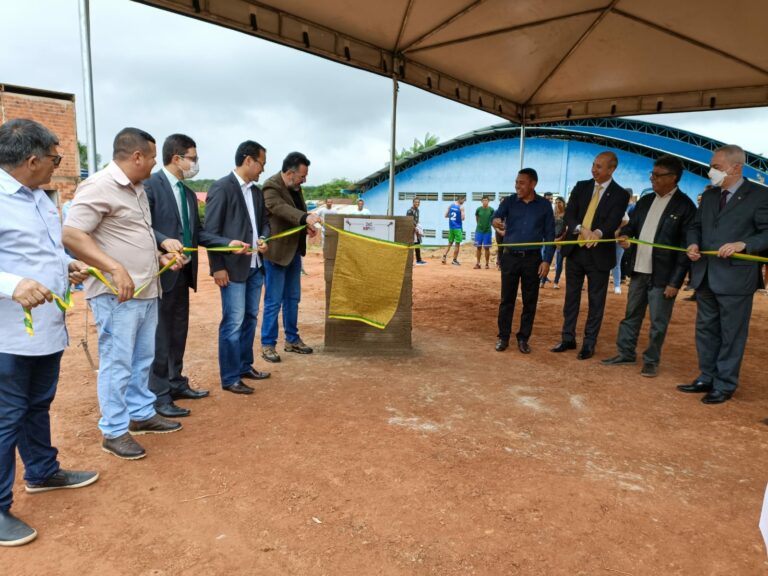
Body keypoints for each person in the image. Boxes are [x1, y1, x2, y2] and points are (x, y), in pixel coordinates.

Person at [0, 119, 98, 547]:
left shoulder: (40, 199)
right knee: (6, 418)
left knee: (38, 405)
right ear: (32, 159)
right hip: (8, 335)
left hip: (47, 328)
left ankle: (41, 472)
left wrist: (66, 265)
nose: (58, 166)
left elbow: (44, 249)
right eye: (55, 158)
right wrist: (12, 284)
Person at [63, 128, 183, 460]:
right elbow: (72, 234)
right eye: (153, 156)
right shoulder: (99, 186)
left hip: (145, 290)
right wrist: (115, 268)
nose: (155, 163)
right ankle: (114, 431)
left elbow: (132, 235)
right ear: (136, 157)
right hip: (116, 295)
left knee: (142, 359)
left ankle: (140, 413)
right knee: (118, 362)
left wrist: (160, 258)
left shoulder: (137, 189)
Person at [145, 134, 241, 414]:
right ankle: (159, 395)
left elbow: (197, 233)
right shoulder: (151, 186)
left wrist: (227, 243)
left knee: (178, 331)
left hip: (183, 273)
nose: (195, 164)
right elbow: (141, 226)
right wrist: (163, 240)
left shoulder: (187, 193)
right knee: (161, 336)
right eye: (193, 158)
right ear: (177, 159)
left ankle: (176, 382)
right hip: (161, 272)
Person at [679, 145, 768, 404]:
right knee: (705, 329)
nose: (711, 172)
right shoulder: (708, 197)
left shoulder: (760, 196)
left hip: (736, 278)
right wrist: (693, 244)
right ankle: (706, 376)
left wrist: (745, 245)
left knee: (731, 333)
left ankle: (725, 383)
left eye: (716, 168)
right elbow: (695, 226)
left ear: (736, 167)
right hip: (705, 273)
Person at [601, 155, 696, 378]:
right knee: (630, 315)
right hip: (638, 270)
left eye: (657, 175)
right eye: (651, 174)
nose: (652, 178)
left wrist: (675, 282)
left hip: (663, 276)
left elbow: (684, 250)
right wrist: (624, 235)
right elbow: (631, 227)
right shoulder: (645, 201)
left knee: (658, 322)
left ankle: (651, 361)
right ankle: (626, 353)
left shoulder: (685, 206)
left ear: (673, 178)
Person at [204, 141, 271, 395]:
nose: (263, 169)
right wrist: (217, 267)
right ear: (248, 161)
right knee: (233, 321)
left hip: (255, 265)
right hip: (232, 269)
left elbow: (264, 224)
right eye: (261, 163)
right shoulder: (222, 188)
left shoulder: (256, 191)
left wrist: (264, 238)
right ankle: (230, 376)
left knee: (250, 318)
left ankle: (244, 366)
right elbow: (210, 233)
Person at [551, 151, 630, 360]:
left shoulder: (620, 194)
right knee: (571, 298)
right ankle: (568, 338)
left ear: (612, 169)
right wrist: (581, 228)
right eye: (593, 164)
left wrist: (598, 233)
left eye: (599, 166)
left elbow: (614, 220)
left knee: (596, 302)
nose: (594, 169)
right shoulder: (581, 186)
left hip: (599, 256)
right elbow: (570, 214)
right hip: (576, 251)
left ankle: (589, 343)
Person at [260, 152, 321, 363]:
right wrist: (305, 217)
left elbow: (296, 213)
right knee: (273, 301)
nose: (304, 180)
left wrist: (306, 227)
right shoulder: (271, 187)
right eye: (302, 176)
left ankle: (292, 340)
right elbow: (280, 209)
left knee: (292, 299)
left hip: (294, 252)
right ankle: (268, 345)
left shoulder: (296, 187)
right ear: (289, 173)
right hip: (276, 254)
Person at [492, 168, 555, 354]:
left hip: (532, 260)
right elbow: (497, 217)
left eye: (521, 182)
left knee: (530, 301)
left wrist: (547, 261)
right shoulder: (509, 202)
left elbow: (550, 235)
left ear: (533, 184)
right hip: (510, 257)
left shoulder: (544, 206)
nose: (517, 185)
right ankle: (503, 337)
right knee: (506, 300)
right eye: (516, 182)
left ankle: (523, 338)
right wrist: (495, 221)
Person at [610, 212, 630, 295]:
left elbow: (626, 220)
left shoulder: (620, 207)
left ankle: (617, 286)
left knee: (617, 263)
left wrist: (618, 229)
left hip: (618, 240)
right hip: (604, 239)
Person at [442, 196, 465, 265]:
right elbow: (463, 218)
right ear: (460, 199)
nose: (464, 202)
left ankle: (444, 256)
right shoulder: (461, 207)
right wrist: (461, 214)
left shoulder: (451, 206)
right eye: (463, 200)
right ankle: (454, 260)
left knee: (449, 243)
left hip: (451, 227)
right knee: (457, 245)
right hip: (458, 228)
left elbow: (445, 215)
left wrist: (452, 217)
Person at [474, 195, 494, 269]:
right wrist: (479, 225)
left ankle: (487, 264)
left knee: (487, 248)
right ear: (481, 201)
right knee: (478, 247)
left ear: (488, 201)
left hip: (488, 231)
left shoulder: (491, 210)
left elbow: (493, 219)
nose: (485, 201)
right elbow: (477, 218)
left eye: (486, 200)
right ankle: (478, 263)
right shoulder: (478, 209)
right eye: (484, 200)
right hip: (479, 231)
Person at [406, 197, 427, 265]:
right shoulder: (410, 211)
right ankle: (409, 261)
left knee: (417, 244)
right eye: (416, 202)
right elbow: (409, 221)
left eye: (418, 202)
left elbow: (416, 220)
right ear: (413, 202)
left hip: (416, 229)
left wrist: (419, 228)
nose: (417, 203)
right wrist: (415, 229)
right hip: (411, 230)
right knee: (411, 246)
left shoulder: (417, 210)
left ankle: (418, 260)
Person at [552, 197, 567, 288]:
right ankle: (542, 280)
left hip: (562, 241)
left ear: (563, 203)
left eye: (559, 202)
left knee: (559, 261)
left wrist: (561, 238)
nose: (557, 204)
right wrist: (552, 239)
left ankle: (556, 282)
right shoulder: (552, 215)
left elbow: (568, 229)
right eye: (556, 202)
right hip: (552, 240)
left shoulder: (567, 215)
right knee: (547, 260)